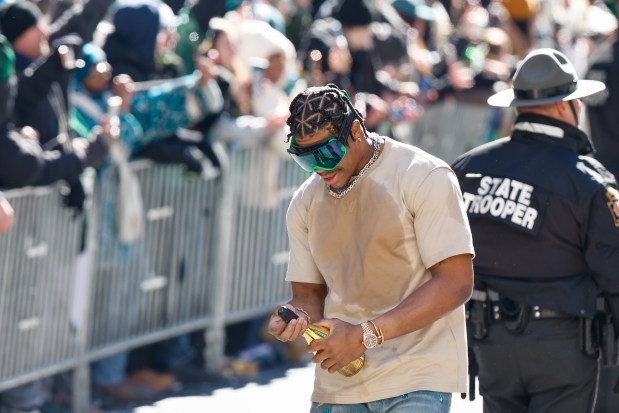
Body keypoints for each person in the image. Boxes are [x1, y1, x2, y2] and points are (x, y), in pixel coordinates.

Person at [267, 83, 475, 412]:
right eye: (305, 159)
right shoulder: (305, 202)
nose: (319, 168)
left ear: (355, 131)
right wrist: (296, 315)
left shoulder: (422, 175)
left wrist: (365, 334)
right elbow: (308, 294)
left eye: (327, 153)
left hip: (416, 376)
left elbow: (456, 282)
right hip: (340, 383)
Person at [451, 47, 619, 413]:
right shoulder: (588, 180)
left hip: (489, 343)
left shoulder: (466, 170)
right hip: (563, 348)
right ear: (565, 107)